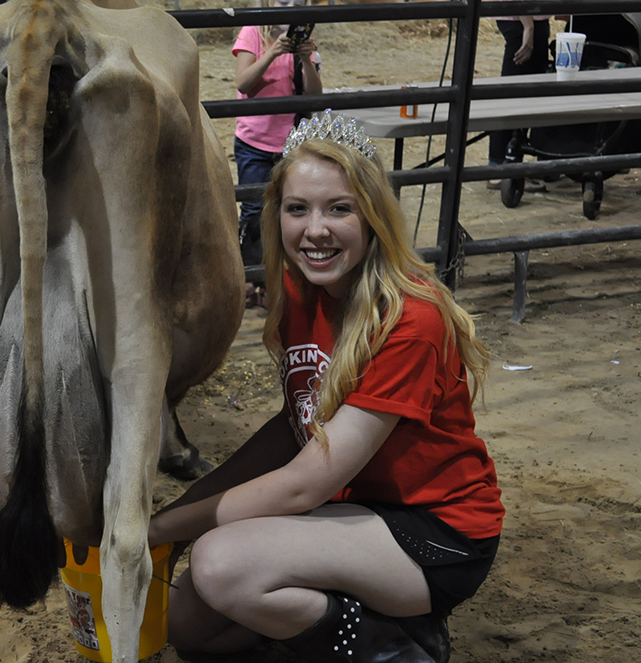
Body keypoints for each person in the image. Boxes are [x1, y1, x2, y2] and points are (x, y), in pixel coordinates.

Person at [148, 111, 504, 663]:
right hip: (354, 510)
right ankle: (351, 611)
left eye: (340, 208)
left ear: (373, 216)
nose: (316, 229)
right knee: (194, 629)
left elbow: (301, 487)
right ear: (277, 215)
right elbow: (298, 428)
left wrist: (164, 530)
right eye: (298, 209)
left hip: (435, 531)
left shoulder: (409, 318)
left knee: (221, 564)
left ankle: (399, 645)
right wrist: (182, 512)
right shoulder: (302, 287)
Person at [234, 0, 322, 308]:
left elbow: (314, 97)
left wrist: (307, 60)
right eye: (282, 0)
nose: (289, 6)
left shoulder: (305, 43)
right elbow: (243, 83)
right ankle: (250, 276)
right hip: (255, 141)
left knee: (286, 210)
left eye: (296, 1)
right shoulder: (253, 33)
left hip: (291, 142)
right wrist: (273, 52)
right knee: (254, 212)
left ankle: (275, 281)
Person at [487, 15, 551, 191]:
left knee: (527, 92)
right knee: (512, 92)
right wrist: (528, 27)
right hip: (521, 19)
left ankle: (511, 164)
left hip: (532, 17)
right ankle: (499, 167)